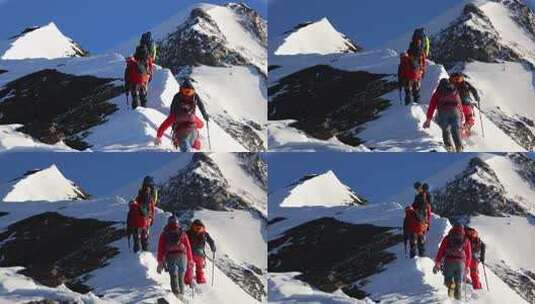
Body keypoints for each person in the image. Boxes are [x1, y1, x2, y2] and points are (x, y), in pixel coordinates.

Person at [155, 79, 210, 151]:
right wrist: (204, 115)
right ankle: (196, 145)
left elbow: (163, 126)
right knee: (195, 142)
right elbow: (201, 123)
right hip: (192, 128)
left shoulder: (175, 112)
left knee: (185, 145)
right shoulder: (192, 115)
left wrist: (158, 137)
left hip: (179, 131)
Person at [157, 215, 194, 298]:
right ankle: (182, 295)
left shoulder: (164, 233)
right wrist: (190, 260)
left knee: (174, 276)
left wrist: (160, 262)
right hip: (183, 256)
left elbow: (161, 249)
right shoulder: (182, 233)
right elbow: (188, 247)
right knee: (181, 277)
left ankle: (176, 295)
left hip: (171, 256)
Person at [423, 78, 465, 152]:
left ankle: (448, 146)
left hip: (443, 112)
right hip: (455, 111)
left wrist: (428, 119)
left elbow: (432, 106)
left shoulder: (438, 92)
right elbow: (459, 103)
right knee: (455, 129)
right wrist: (461, 114)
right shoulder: (454, 90)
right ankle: (459, 147)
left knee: (445, 130)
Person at [433, 224, 472, 300]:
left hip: (449, 262)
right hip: (461, 264)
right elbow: (469, 255)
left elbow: (441, 251)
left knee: (447, 280)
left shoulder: (447, 238)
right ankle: (457, 300)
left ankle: (450, 291)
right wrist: (467, 266)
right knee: (458, 284)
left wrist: (437, 262)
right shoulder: (465, 239)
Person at [126, 177, 157, 252]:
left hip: (138, 221)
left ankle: (137, 253)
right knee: (144, 238)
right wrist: (152, 217)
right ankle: (145, 253)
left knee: (137, 239)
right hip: (145, 219)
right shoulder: (150, 193)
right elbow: (151, 206)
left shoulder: (141, 193)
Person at [403, 182, 432, 257]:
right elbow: (428, 211)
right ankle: (422, 259)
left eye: (417, 188)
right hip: (422, 225)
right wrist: (428, 223)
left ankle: (414, 260)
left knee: (413, 245)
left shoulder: (421, 198)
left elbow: (405, 226)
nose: (417, 189)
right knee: (421, 244)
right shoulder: (426, 199)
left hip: (416, 227)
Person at [185, 219, 216, 285]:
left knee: (189, 267)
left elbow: (183, 240)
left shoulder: (189, 232)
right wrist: (213, 248)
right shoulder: (204, 233)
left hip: (190, 253)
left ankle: (188, 280)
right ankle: (200, 280)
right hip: (200, 254)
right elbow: (211, 241)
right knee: (199, 267)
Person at [449, 73, 480, 137]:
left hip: (456, 104)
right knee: (469, 118)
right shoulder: (465, 83)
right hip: (466, 103)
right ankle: (466, 129)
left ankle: (461, 131)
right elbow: (473, 90)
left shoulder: (451, 84)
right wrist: (477, 97)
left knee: (459, 118)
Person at [124, 45, 154, 109]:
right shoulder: (144, 59)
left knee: (135, 98)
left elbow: (127, 78)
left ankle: (136, 113)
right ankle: (145, 110)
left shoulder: (130, 65)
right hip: (143, 81)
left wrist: (127, 89)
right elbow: (149, 70)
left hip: (135, 83)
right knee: (143, 97)